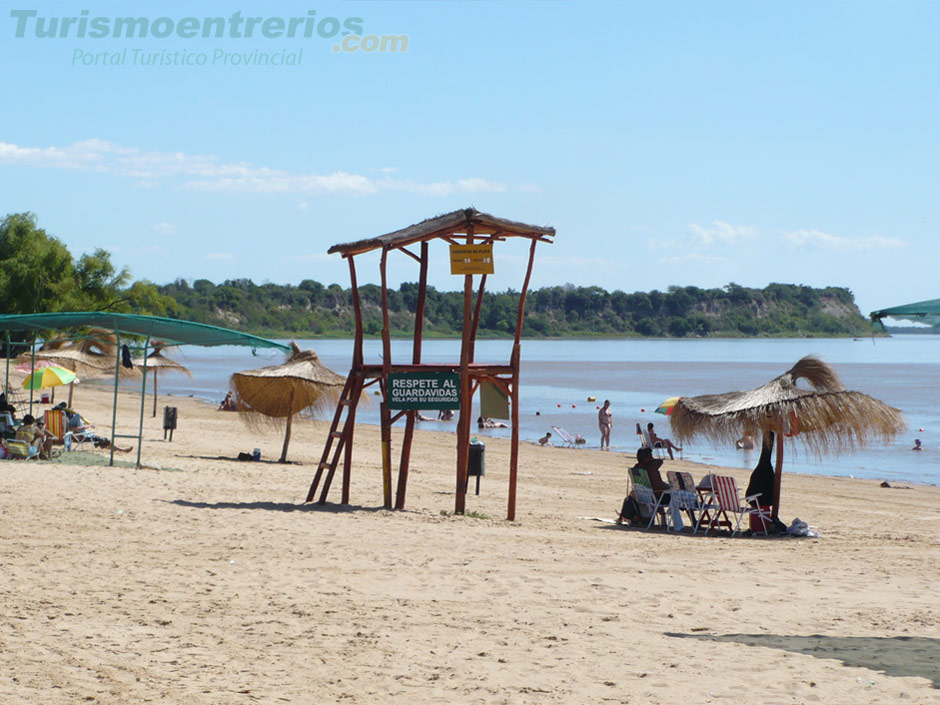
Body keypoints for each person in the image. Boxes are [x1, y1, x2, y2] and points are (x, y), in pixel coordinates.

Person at [616, 447, 670, 525]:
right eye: (650, 455)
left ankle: (623, 515)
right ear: (646, 457)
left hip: (644, 496)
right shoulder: (652, 468)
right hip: (657, 497)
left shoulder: (637, 468)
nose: (652, 457)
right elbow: (660, 461)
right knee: (671, 494)